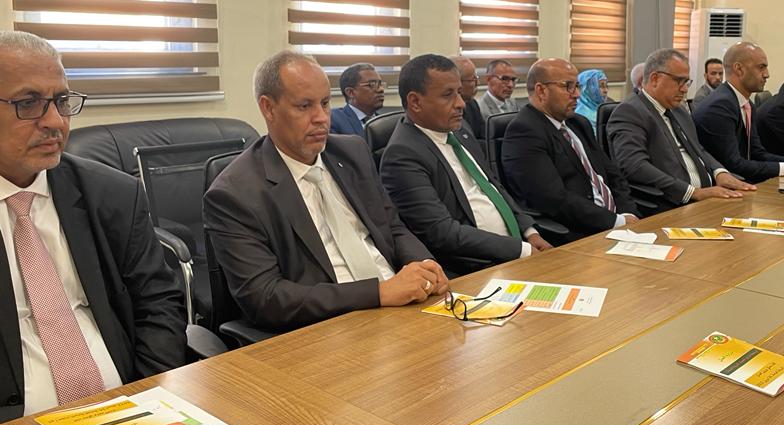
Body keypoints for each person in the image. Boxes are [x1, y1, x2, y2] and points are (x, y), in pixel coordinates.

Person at [0, 32, 186, 423]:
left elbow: (158, 303)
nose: (55, 122)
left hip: (128, 409)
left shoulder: (112, 193)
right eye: (28, 103)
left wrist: (146, 396)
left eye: (61, 101)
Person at [204, 52, 448, 332]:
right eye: (304, 106)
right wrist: (379, 293)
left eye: (325, 103)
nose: (321, 118)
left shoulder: (352, 151)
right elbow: (265, 297)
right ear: (268, 108)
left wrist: (424, 264)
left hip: (404, 308)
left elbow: (391, 227)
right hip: (329, 326)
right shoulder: (234, 193)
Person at [380, 55, 551, 276]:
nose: (461, 103)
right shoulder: (402, 156)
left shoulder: (460, 130)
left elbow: (493, 185)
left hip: (516, 250)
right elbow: (441, 232)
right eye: (448, 95)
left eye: (459, 92)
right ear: (415, 102)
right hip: (474, 268)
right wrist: (520, 250)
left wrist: (529, 232)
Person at [501, 58, 638, 244]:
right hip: (581, 232)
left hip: (619, 224)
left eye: (577, 86)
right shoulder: (524, 131)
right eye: (568, 86)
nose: (577, 95)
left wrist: (628, 212)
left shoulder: (577, 122)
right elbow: (553, 199)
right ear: (541, 91)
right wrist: (616, 221)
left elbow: (612, 174)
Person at [607, 49, 755, 213]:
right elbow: (634, 166)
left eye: (687, 82)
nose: (685, 89)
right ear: (655, 79)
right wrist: (694, 193)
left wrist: (719, 173)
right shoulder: (630, 112)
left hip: (707, 199)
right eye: (679, 81)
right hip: (671, 205)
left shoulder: (678, 111)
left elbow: (698, 150)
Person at [693, 42, 784, 183]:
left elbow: (756, 153)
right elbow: (733, 165)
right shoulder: (719, 106)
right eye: (761, 67)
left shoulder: (747, 104)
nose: (767, 74)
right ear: (739, 69)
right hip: (725, 186)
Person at [330, 62, 385, 137]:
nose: (381, 89)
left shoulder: (384, 121)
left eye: (380, 84)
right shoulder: (334, 120)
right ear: (350, 92)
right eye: (372, 84)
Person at [451, 56, 485, 139]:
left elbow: (483, 137)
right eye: (473, 79)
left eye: (476, 78)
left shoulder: (472, 104)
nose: (478, 83)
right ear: (458, 82)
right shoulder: (446, 110)